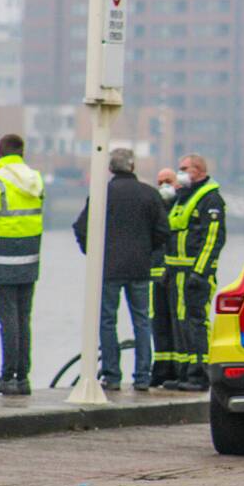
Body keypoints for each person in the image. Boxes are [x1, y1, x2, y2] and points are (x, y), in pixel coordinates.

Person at [73, 149, 170, 392]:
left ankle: (112, 375)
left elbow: (81, 228)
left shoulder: (102, 194)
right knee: (142, 321)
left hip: (109, 268)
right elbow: (163, 231)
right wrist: (147, 250)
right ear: (133, 166)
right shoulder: (150, 194)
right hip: (140, 268)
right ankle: (142, 377)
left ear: (110, 169)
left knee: (107, 321)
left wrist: (94, 254)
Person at [0, 134, 45, 396]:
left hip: (2, 256)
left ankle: (7, 376)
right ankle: (23, 378)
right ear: (22, 152)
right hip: (30, 256)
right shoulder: (35, 179)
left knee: (8, 319)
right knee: (24, 317)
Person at [163, 154, 225, 392]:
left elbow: (212, 239)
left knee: (195, 322)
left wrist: (199, 273)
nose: (180, 173)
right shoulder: (182, 197)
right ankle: (184, 373)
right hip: (177, 272)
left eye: (184, 169)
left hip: (195, 273)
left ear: (198, 170)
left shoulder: (210, 199)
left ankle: (200, 374)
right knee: (180, 322)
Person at [149, 167, 179, 387]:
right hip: (155, 276)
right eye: (160, 182)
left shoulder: (181, 207)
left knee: (178, 323)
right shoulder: (154, 206)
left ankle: (178, 371)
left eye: (168, 181)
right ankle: (161, 370)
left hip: (175, 275)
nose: (164, 186)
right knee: (158, 324)